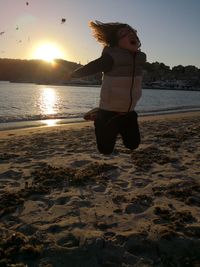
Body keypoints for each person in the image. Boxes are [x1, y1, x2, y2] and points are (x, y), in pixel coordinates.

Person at [68, 21, 146, 155]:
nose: (131, 35)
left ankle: (114, 123)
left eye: (133, 32)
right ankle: (98, 117)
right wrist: (73, 74)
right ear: (116, 42)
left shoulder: (140, 59)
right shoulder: (111, 58)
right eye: (124, 34)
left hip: (129, 113)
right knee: (105, 150)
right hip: (108, 112)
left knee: (133, 145)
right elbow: (93, 66)